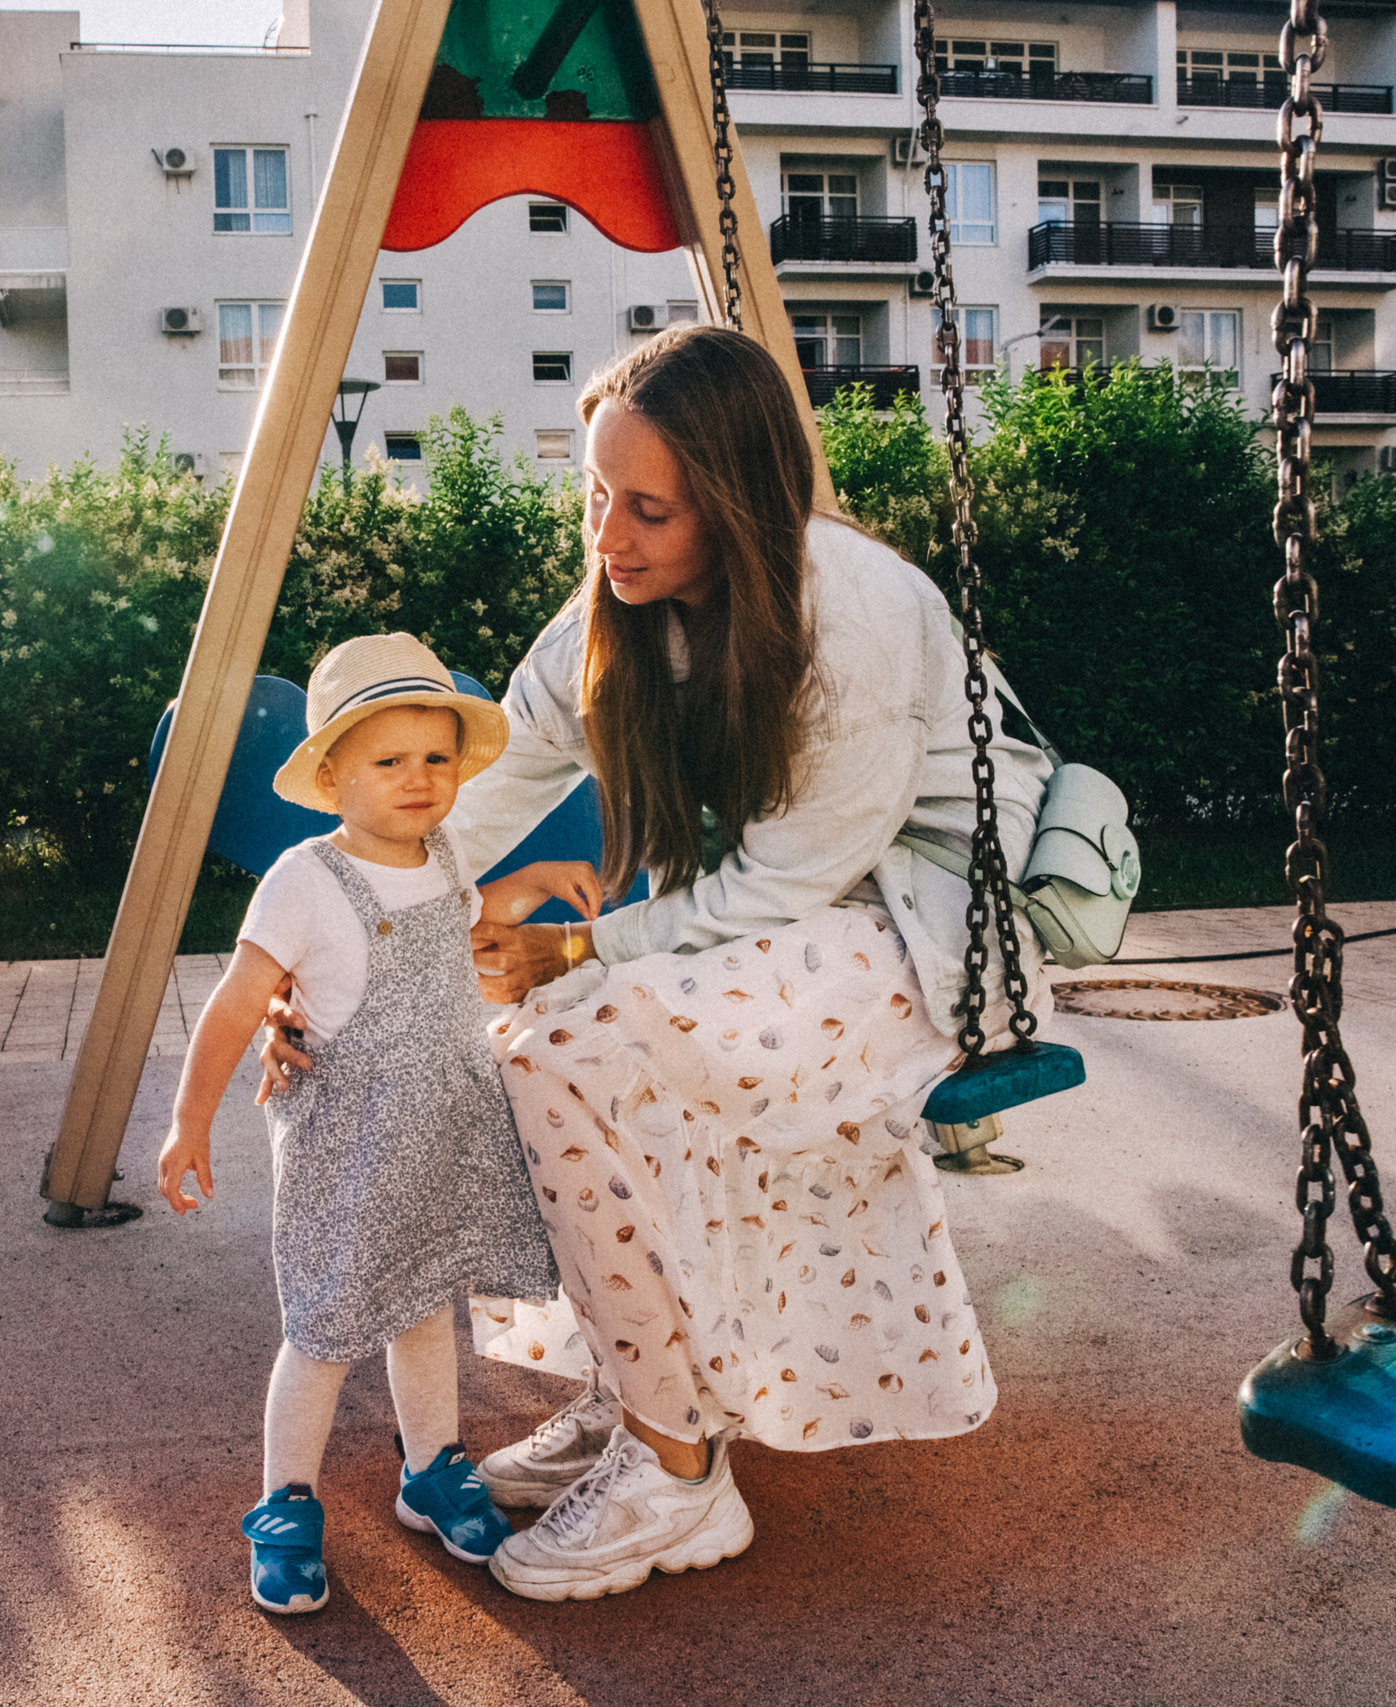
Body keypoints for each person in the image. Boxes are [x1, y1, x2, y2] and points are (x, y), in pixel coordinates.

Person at [262, 324, 1054, 1602]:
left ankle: (676, 1470)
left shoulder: (852, 610)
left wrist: (570, 948)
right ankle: (642, 1401)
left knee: (561, 1045)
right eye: (592, 496)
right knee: (514, 1036)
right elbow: (485, 783)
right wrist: (331, 950)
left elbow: (791, 883)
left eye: (648, 510)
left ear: (735, 507)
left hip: (918, 931)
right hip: (774, 934)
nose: (608, 537)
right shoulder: (614, 613)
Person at [156, 630, 604, 1616]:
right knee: (322, 1331)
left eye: (437, 759)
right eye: (390, 761)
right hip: (347, 1153)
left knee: (423, 1310)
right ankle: (285, 1505)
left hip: (436, 1139)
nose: (420, 780)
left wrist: (528, 886)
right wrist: (187, 1125)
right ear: (335, 773)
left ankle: (431, 1470)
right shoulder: (305, 881)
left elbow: (455, 915)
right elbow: (237, 1004)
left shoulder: (441, 853)